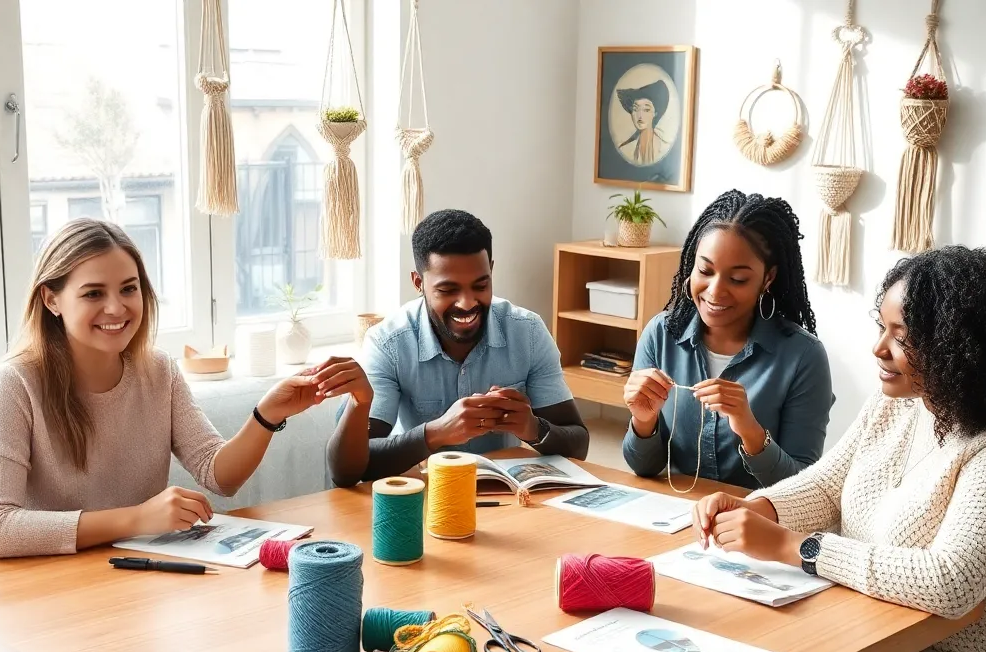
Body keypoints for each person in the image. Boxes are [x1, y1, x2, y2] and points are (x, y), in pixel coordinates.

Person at [0, 219, 367, 652]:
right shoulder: (13, 383)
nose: (117, 308)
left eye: (129, 288)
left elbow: (219, 475)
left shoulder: (157, 371)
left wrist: (267, 414)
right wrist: (135, 519)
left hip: (124, 593)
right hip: (24, 609)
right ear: (51, 300)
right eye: (93, 293)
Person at [694, 246, 986, 652]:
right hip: (865, 644)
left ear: (962, 346)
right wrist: (759, 508)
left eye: (903, 337)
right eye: (882, 327)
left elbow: (951, 583)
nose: (878, 348)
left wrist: (797, 548)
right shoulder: (903, 401)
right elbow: (828, 485)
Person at [327, 209, 588, 486]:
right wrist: (436, 433)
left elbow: (579, 444)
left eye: (480, 286)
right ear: (419, 283)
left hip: (504, 497)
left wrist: (534, 428)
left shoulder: (528, 332)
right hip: (423, 498)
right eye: (448, 290)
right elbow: (347, 471)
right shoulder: (388, 343)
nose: (467, 303)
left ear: (491, 272)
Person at [623, 190, 832, 490]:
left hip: (754, 515)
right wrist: (643, 421)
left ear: (768, 278)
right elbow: (643, 467)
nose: (715, 291)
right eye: (705, 270)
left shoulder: (803, 356)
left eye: (737, 279)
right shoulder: (661, 334)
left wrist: (750, 430)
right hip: (677, 511)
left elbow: (803, 488)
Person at [616, 79, 670, 166]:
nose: (640, 116)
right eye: (635, 109)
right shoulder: (625, 150)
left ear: (655, 113)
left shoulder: (665, 148)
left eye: (646, 110)